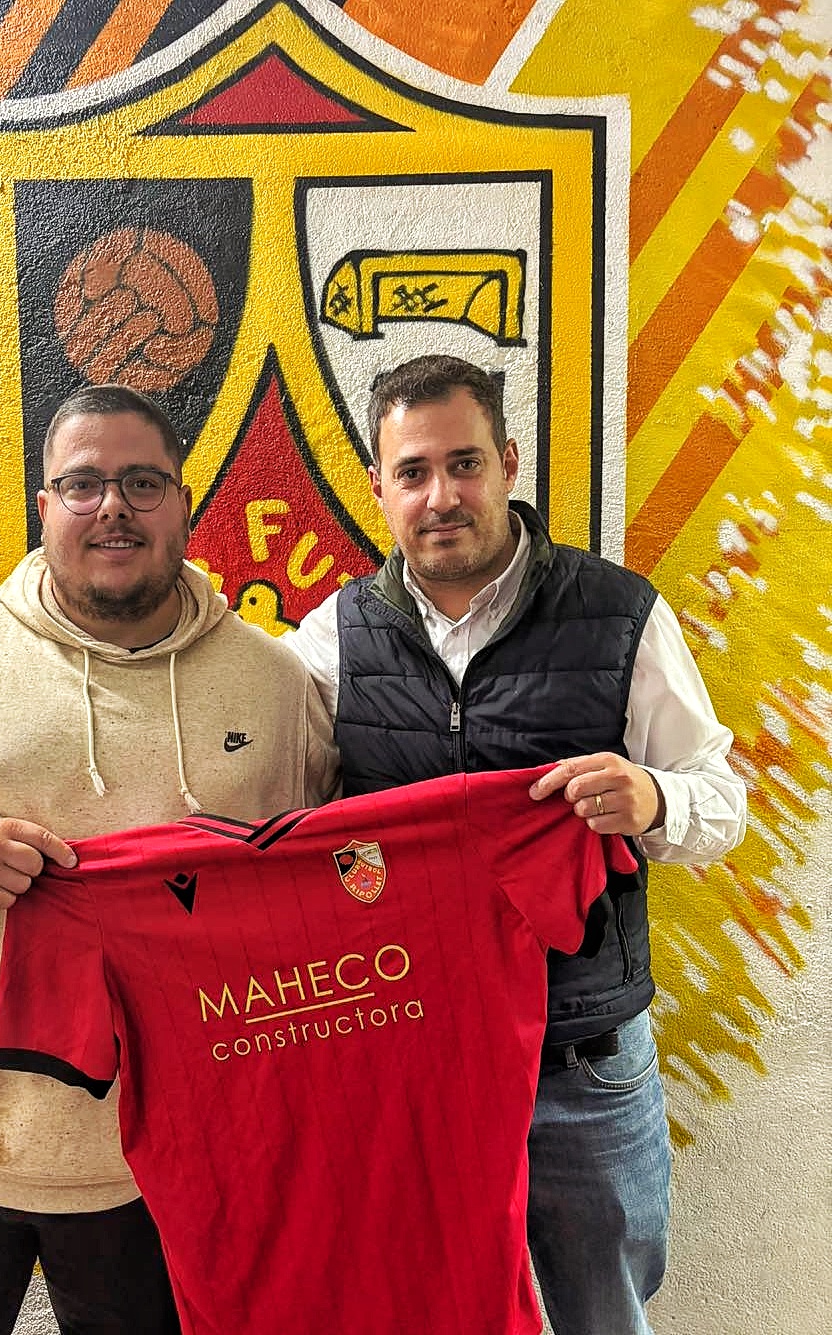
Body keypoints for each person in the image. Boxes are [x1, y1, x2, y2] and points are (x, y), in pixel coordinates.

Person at [0, 383, 338, 1335]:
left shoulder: (274, 684)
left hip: (166, 1160)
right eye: (83, 484)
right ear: (45, 507)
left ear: (184, 503)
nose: (113, 506)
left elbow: (317, 882)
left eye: (141, 483)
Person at [286, 354, 746, 1335]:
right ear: (377, 487)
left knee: (601, 1318)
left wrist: (653, 798)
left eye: (463, 464)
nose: (440, 496)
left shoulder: (620, 614)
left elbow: (721, 800)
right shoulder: (332, 638)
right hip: (409, 1066)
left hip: (582, 1067)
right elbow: (261, 806)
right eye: (413, 472)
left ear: (507, 462)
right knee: (423, 1313)